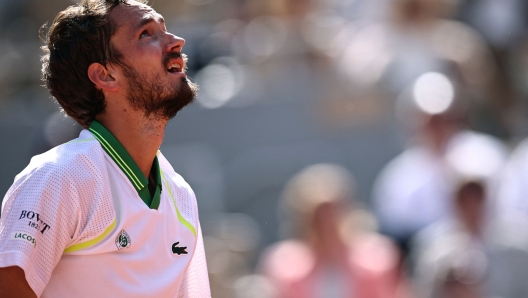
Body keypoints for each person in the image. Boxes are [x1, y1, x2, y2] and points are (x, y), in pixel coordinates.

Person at [0, 0, 210, 297]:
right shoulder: (58, 178)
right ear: (105, 75)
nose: (177, 41)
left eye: (164, 29)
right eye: (146, 34)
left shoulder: (182, 195)